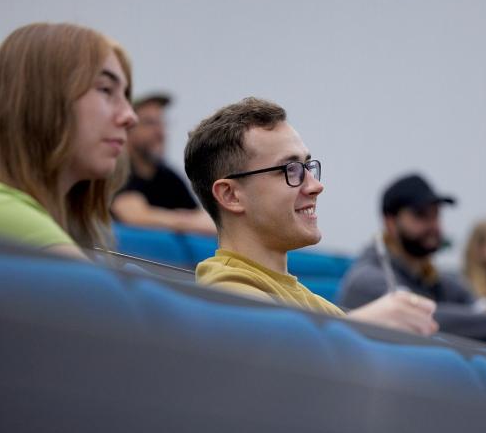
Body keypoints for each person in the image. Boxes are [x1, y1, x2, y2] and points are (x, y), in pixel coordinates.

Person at [183, 97, 438, 336]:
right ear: (230, 195)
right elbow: (276, 354)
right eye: (291, 169)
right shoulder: (224, 292)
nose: (315, 185)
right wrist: (363, 328)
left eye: (308, 166)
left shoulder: (315, 306)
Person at [0, 22, 137, 259]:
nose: (130, 116)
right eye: (105, 89)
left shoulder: (60, 227)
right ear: (43, 101)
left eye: (125, 96)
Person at [338, 175, 486, 345]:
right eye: (421, 215)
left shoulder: (436, 279)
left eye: (436, 215)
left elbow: (477, 311)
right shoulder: (367, 278)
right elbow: (422, 317)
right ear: (390, 222)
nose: (433, 226)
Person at [111, 93, 216, 235]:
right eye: (150, 123)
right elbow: (134, 215)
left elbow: (204, 220)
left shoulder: (168, 177)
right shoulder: (114, 170)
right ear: (127, 128)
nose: (160, 132)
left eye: (162, 123)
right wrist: (183, 221)